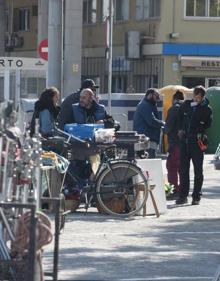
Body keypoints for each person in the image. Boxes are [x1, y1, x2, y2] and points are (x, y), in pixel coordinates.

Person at [176, 86, 212, 205]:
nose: (195, 99)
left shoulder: (207, 109)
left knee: (198, 171)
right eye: (194, 96)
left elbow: (208, 124)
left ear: (202, 97)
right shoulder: (186, 105)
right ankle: (183, 196)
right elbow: (179, 117)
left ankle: (196, 196)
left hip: (197, 143)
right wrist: (180, 129)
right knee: (183, 170)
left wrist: (200, 127)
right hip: (185, 142)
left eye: (198, 97)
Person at [164, 91, 184, 199]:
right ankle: (182, 189)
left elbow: (168, 127)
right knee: (182, 167)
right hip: (185, 143)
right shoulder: (187, 107)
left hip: (175, 142)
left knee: (171, 166)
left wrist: (164, 130)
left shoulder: (174, 109)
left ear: (174, 99)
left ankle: (174, 190)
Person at [133, 88, 165, 158]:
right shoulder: (145, 105)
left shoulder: (148, 104)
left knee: (148, 161)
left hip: (148, 137)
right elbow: (151, 121)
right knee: (150, 161)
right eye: (156, 97)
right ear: (150, 95)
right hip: (147, 138)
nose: (157, 100)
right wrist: (163, 124)